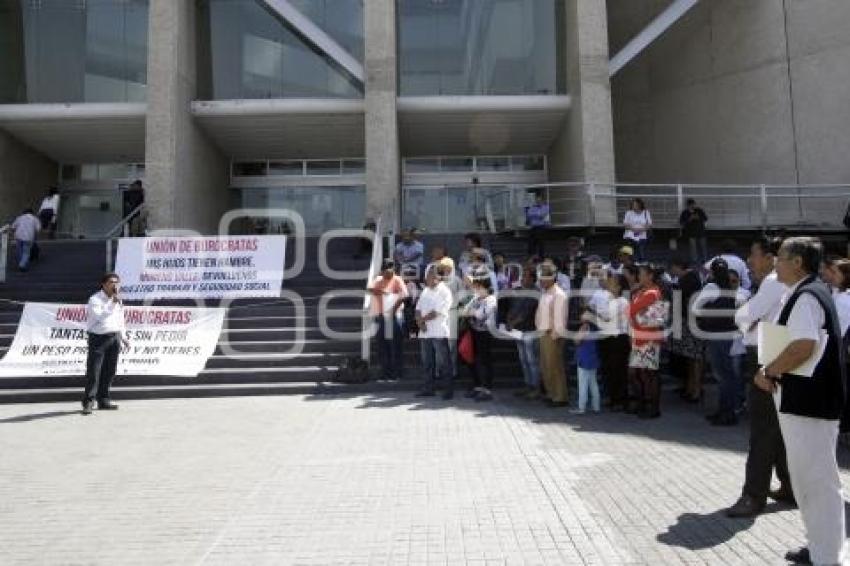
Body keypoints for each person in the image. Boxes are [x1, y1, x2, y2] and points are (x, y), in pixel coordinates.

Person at [757, 237, 847, 566]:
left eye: (780, 257)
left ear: (797, 263)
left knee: (817, 483)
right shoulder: (807, 291)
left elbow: (803, 345)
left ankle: (827, 557)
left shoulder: (807, 296)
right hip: (806, 402)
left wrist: (768, 371)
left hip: (809, 404)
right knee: (809, 480)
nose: (774, 262)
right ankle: (820, 547)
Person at [726, 236, 794, 518]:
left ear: (770, 257)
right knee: (777, 428)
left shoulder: (773, 281)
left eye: (753, 255)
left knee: (763, 429)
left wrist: (748, 318)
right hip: (775, 350)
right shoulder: (779, 282)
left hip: (768, 354)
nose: (749, 262)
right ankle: (790, 485)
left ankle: (753, 496)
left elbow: (744, 315)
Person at [694, 258, 739, 426]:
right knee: (729, 376)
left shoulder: (711, 286)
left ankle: (725, 413)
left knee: (722, 376)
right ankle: (728, 411)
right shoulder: (731, 285)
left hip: (715, 336)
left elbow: (695, 308)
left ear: (712, 272)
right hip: (729, 335)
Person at [81, 273, 129, 415]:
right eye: (111, 282)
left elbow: (120, 320)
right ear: (103, 284)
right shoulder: (95, 299)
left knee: (109, 371)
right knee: (94, 371)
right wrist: (112, 302)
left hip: (114, 338)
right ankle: (88, 402)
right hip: (98, 338)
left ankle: (104, 400)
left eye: (117, 282)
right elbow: (100, 317)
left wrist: (124, 337)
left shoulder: (118, 301)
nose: (115, 285)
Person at [627, 264, 666, 418]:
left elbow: (631, 310)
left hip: (648, 338)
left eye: (642, 274)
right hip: (639, 336)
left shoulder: (653, 293)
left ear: (650, 276)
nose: (639, 277)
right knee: (637, 373)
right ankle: (642, 402)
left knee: (649, 374)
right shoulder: (641, 291)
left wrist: (635, 311)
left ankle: (653, 407)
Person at [667, 256, 705, 403]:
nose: (672, 272)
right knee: (690, 358)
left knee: (694, 358)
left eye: (672, 268)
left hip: (691, 323)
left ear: (677, 266)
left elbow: (686, 301)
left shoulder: (689, 279)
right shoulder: (689, 278)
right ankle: (691, 387)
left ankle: (695, 389)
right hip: (688, 322)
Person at [414, 266, 454, 400]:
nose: (428, 277)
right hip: (425, 333)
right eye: (428, 274)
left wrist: (422, 321)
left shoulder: (445, 291)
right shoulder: (425, 290)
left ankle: (448, 390)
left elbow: (437, 312)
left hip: (439, 332)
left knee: (444, 363)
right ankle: (428, 388)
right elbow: (418, 308)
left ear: (439, 276)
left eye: (431, 274)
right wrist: (420, 322)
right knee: (427, 363)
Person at [594, 273, 631, 411]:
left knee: (618, 370)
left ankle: (620, 399)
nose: (608, 284)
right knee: (608, 369)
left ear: (619, 287)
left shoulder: (622, 301)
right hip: (607, 337)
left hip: (618, 338)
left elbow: (607, 316)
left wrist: (595, 314)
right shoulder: (610, 298)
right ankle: (613, 397)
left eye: (612, 282)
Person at [535, 262, 569, 407]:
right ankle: (551, 393)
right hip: (543, 333)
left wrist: (555, 335)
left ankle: (560, 397)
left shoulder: (559, 294)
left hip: (553, 335)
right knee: (545, 366)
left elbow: (560, 318)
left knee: (555, 367)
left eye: (543, 277)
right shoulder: (546, 293)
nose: (540, 280)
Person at [368, 260, 408, 381]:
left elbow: (404, 296)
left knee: (395, 346)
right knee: (382, 347)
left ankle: (397, 374)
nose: (387, 274)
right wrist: (382, 292)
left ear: (393, 269)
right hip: (381, 316)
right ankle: (385, 373)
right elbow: (370, 289)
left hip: (394, 317)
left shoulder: (397, 279)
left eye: (389, 271)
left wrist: (392, 311)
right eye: (385, 271)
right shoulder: (378, 279)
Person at [461, 270, 497, 401]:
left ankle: (487, 389)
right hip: (474, 331)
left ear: (484, 286)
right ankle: (477, 386)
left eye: (478, 286)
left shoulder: (491, 299)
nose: (475, 288)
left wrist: (472, 312)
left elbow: (481, 315)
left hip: (485, 333)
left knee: (485, 361)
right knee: (473, 359)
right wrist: (472, 312)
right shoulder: (476, 298)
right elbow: (465, 311)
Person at [506, 269, 542, 400]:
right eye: (522, 277)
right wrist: (509, 319)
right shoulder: (520, 290)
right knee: (523, 359)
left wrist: (513, 322)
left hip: (530, 330)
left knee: (532, 360)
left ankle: (536, 388)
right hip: (518, 331)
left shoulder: (536, 292)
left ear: (533, 279)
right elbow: (513, 307)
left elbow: (526, 312)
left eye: (526, 277)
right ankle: (528, 385)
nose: (522, 279)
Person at [571, 310, 601, 415]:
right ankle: (596, 406)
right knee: (593, 383)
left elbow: (577, 341)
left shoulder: (584, 327)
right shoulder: (595, 328)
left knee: (583, 384)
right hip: (593, 358)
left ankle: (581, 407)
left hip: (584, 359)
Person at [679, 198, 708, 264]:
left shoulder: (699, 210)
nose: (692, 206)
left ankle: (704, 258)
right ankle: (694, 260)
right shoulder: (685, 212)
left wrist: (699, 218)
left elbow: (705, 218)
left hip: (701, 231)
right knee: (693, 248)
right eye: (690, 205)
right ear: (687, 205)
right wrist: (690, 219)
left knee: (703, 246)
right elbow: (682, 222)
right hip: (691, 233)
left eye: (693, 204)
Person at [623, 198, 652, 262]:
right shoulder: (629, 213)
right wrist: (633, 229)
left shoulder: (646, 212)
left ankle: (641, 262)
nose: (634, 206)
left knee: (641, 251)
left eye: (636, 205)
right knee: (631, 251)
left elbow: (649, 224)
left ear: (640, 205)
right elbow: (625, 224)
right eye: (633, 205)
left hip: (642, 235)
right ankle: (632, 262)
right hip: (630, 235)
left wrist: (641, 229)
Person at [525, 192, 550, 259]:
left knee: (540, 241)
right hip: (533, 226)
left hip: (541, 226)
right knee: (531, 241)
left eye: (539, 200)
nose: (538, 201)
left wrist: (535, 214)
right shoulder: (532, 207)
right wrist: (537, 214)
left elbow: (542, 215)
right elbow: (529, 214)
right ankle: (532, 255)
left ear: (542, 200)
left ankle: (541, 256)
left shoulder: (546, 207)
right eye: (537, 200)